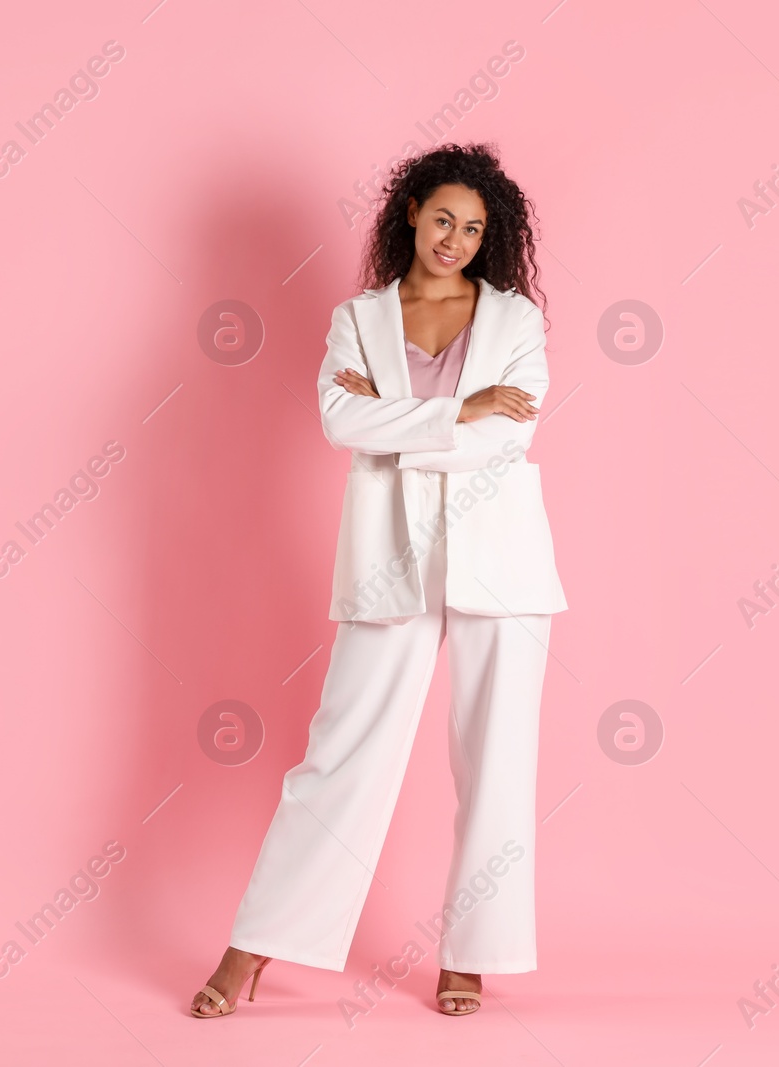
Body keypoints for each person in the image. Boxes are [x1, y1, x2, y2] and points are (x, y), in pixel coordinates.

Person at [190, 143, 567, 1020]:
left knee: (496, 760)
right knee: (341, 752)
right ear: (408, 212)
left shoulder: (518, 323)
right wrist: (457, 408)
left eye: (474, 228)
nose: (455, 238)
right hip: (389, 558)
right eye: (443, 218)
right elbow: (335, 418)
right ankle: (254, 946)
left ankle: (471, 953)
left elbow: (507, 438)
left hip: (502, 560)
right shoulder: (357, 318)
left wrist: (398, 422)